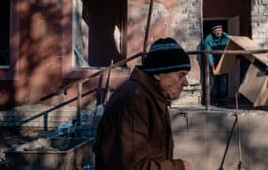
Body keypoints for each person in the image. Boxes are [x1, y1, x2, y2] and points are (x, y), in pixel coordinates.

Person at [94, 38, 193, 170]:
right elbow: (134, 167)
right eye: (180, 75)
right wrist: (179, 167)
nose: (186, 82)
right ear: (158, 74)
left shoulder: (153, 98)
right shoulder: (135, 101)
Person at [204, 23, 229, 106]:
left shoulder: (226, 37)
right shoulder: (208, 39)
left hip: (223, 62)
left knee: (223, 82)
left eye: (220, 30)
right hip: (213, 63)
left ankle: (222, 99)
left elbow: (231, 45)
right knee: (213, 82)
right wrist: (213, 67)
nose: (219, 32)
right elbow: (209, 54)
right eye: (217, 30)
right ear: (213, 31)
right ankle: (214, 100)